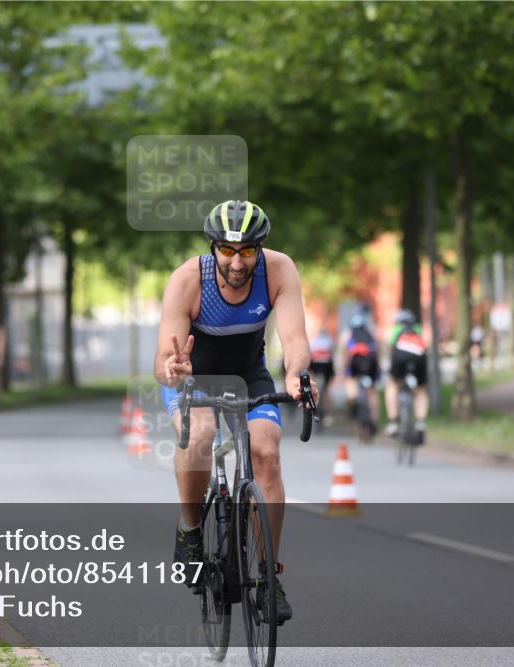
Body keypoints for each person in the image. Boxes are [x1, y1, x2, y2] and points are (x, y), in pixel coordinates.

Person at [154, 200, 317, 626]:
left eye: (247, 250)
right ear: (213, 248)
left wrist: (298, 374)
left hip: (249, 373)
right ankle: (190, 530)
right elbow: (162, 362)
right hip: (194, 376)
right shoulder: (189, 280)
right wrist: (174, 371)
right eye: (227, 250)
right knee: (200, 435)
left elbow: (294, 338)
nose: (237, 261)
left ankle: (268, 574)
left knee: (266, 449)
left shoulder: (279, 270)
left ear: (261, 248)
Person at [384, 309, 429, 444]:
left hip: (400, 357)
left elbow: (389, 348)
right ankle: (420, 423)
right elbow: (426, 345)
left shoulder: (395, 330)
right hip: (418, 356)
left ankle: (393, 422)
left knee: (392, 385)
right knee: (421, 391)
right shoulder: (419, 330)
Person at [341, 311, 380, 437]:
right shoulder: (371, 335)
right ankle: (374, 420)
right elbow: (377, 353)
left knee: (351, 388)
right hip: (371, 366)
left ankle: (353, 410)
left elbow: (345, 355)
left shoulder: (348, 336)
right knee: (373, 392)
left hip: (354, 367)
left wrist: (343, 372)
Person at [308, 326, 335, 427]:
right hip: (327, 365)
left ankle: (313, 409)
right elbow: (333, 354)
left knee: (314, 384)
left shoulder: (314, 341)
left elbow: (309, 356)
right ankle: (328, 414)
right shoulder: (330, 341)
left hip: (315, 364)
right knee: (327, 390)